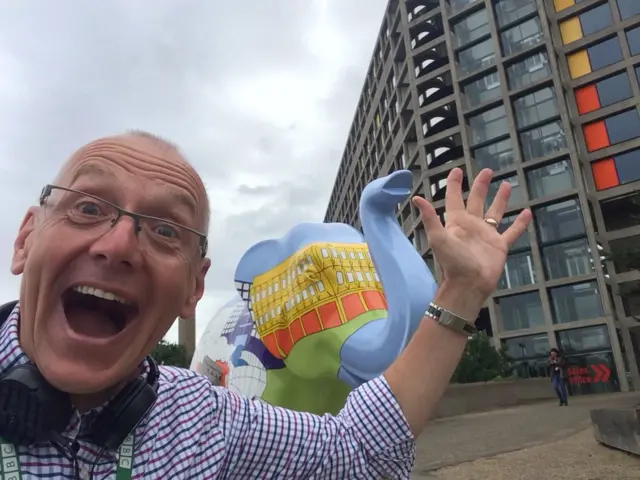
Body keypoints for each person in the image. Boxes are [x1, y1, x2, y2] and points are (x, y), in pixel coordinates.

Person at [0, 131, 531, 479]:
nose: (116, 246)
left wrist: (461, 289)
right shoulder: (234, 373)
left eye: (165, 230)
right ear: (25, 239)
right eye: (89, 207)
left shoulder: (203, 419)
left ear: (194, 288)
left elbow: (360, 450)